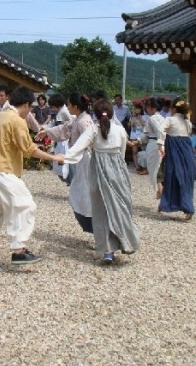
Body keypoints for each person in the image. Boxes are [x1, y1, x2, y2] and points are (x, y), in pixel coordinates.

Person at [0, 87, 64, 268]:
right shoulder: (17, 121)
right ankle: (19, 250)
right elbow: (29, 149)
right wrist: (54, 158)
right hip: (4, 171)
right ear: (26, 105)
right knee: (25, 205)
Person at [62, 99, 140, 263]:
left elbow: (78, 147)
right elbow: (122, 153)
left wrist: (63, 157)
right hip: (118, 170)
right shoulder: (120, 130)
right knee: (120, 207)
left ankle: (108, 251)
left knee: (101, 210)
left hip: (98, 169)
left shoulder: (93, 129)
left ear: (95, 114)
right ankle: (126, 241)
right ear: (111, 113)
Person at [35, 92, 94, 233]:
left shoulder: (84, 122)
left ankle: (95, 227)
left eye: (69, 104)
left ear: (75, 106)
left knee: (85, 195)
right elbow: (63, 129)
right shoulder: (78, 119)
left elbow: (89, 143)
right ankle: (91, 226)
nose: (67, 107)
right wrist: (47, 132)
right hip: (79, 159)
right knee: (79, 193)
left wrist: (66, 157)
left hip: (85, 160)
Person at [157, 98, 196, 221]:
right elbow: (188, 133)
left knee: (171, 176)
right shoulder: (187, 123)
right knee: (185, 178)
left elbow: (160, 130)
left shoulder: (170, 119)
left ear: (173, 109)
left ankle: (168, 204)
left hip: (174, 151)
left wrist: (160, 145)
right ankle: (185, 206)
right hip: (186, 151)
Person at [142, 98, 167, 198]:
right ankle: (159, 193)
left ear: (152, 108)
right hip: (160, 143)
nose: (146, 109)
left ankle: (162, 194)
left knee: (155, 171)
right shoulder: (162, 118)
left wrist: (160, 142)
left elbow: (159, 131)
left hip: (155, 144)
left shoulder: (152, 119)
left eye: (147, 107)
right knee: (158, 170)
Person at [47, 93, 72, 183]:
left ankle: (69, 180)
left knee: (63, 163)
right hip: (61, 139)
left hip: (64, 140)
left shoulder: (64, 112)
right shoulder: (62, 111)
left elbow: (67, 124)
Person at [128, 104, 147, 171]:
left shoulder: (145, 116)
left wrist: (139, 118)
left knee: (143, 151)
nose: (136, 110)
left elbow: (144, 124)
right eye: (135, 109)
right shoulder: (132, 116)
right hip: (134, 135)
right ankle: (137, 166)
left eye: (138, 109)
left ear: (141, 110)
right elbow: (130, 125)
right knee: (134, 151)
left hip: (142, 136)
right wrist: (133, 117)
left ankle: (144, 166)